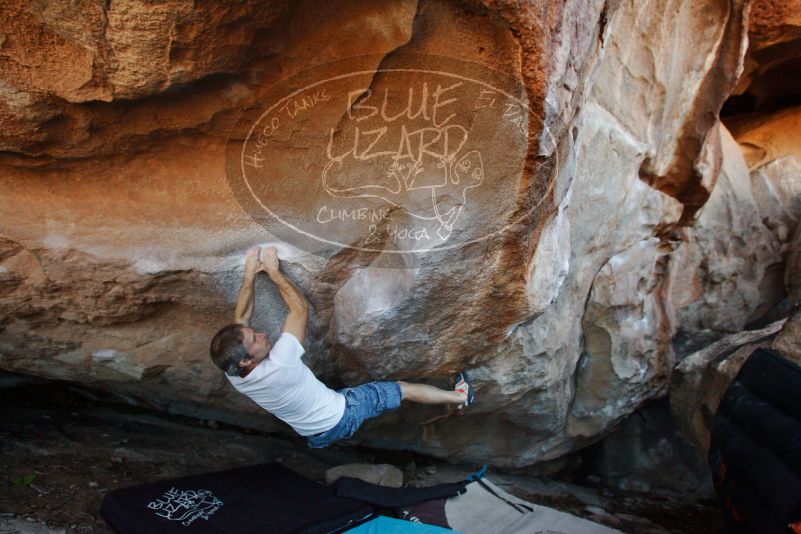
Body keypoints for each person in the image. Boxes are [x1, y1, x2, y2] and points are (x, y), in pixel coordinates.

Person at [209, 246, 475, 448]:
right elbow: (299, 309)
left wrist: (248, 276)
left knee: (333, 397)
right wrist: (273, 271)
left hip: (314, 435)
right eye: (256, 340)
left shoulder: (235, 375)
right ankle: (461, 397)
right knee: (400, 389)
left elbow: (240, 319)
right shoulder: (281, 364)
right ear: (246, 360)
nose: (263, 334)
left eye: (255, 333)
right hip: (344, 414)